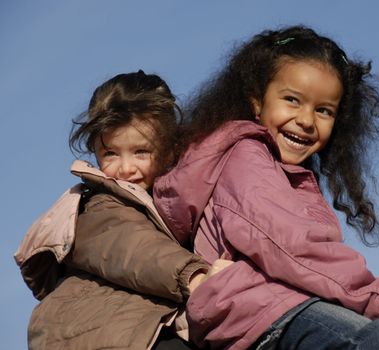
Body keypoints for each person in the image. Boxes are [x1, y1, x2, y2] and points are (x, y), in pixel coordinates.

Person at [153, 26, 379, 350]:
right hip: (256, 311)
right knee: (372, 341)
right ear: (257, 102)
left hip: (276, 307)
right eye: (292, 100)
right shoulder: (247, 154)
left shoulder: (292, 174)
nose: (307, 120)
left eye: (323, 110)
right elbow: (292, 248)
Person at [15, 70, 229, 349]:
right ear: (95, 151)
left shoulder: (166, 202)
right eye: (111, 154)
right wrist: (195, 277)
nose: (126, 169)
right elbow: (134, 249)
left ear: (168, 149)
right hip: (92, 332)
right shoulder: (97, 203)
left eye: (141, 152)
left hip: (134, 326)